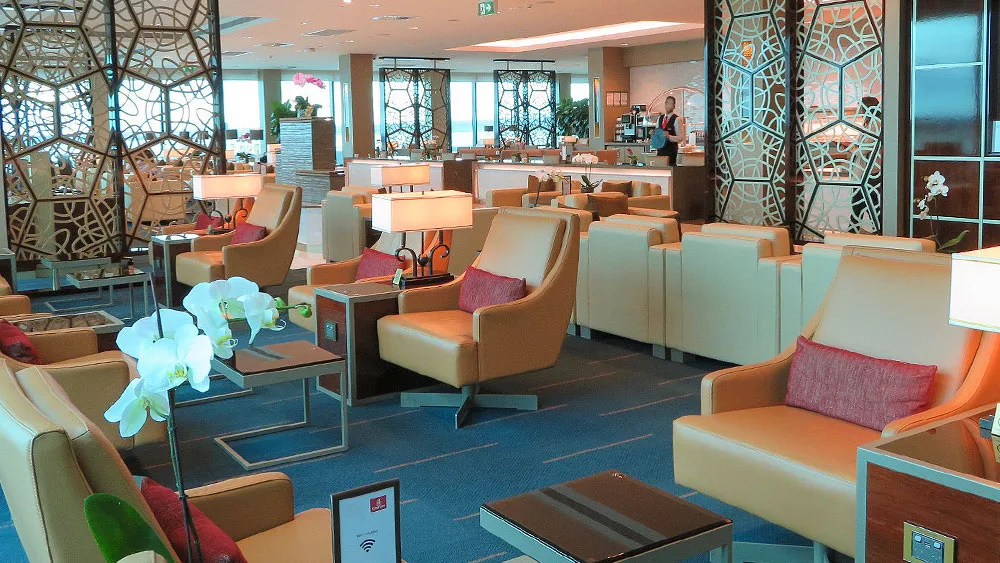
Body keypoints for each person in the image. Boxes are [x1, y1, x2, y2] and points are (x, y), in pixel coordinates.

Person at [849, 95, 881, 233]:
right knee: (867, 204)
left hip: (868, 172)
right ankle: (878, 230)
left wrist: (853, 149)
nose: (859, 110)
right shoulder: (870, 123)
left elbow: (865, 147)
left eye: (861, 108)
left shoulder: (875, 124)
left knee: (860, 203)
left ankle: (853, 232)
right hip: (866, 171)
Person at [656, 96, 686, 166]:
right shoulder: (660, 118)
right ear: (665, 104)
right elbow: (657, 133)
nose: (668, 105)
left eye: (671, 104)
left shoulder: (677, 119)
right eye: (667, 103)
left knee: (670, 169)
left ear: (674, 106)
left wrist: (669, 137)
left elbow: (681, 138)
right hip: (660, 151)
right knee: (660, 169)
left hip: (671, 151)